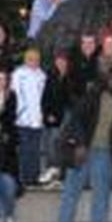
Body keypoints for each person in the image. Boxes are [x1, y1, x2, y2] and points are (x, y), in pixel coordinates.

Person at [52, 66, 112, 222]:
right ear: (106, 79)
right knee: (71, 190)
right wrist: (80, 144)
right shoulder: (94, 95)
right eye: (111, 77)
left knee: (101, 191)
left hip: (105, 152)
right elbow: (76, 119)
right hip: (83, 148)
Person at [10, 48, 47, 185]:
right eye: (30, 59)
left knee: (35, 150)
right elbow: (15, 94)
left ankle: (34, 177)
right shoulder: (18, 74)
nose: (33, 62)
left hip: (37, 119)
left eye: (36, 59)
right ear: (26, 60)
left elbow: (43, 97)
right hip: (23, 119)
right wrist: (20, 112)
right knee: (24, 150)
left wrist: (42, 114)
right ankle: (24, 178)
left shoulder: (42, 75)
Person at [40, 52, 76, 186]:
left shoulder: (70, 77)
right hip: (52, 115)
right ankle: (52, 169)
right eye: (59, 61)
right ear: (55, 62)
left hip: (66, 115)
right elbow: (45, 98)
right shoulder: (51, 77)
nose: (61, 63)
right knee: (50, 141)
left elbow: (71, 97)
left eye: (64, 61)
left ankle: (58, 171)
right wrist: (47, 113)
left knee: (60, 141)